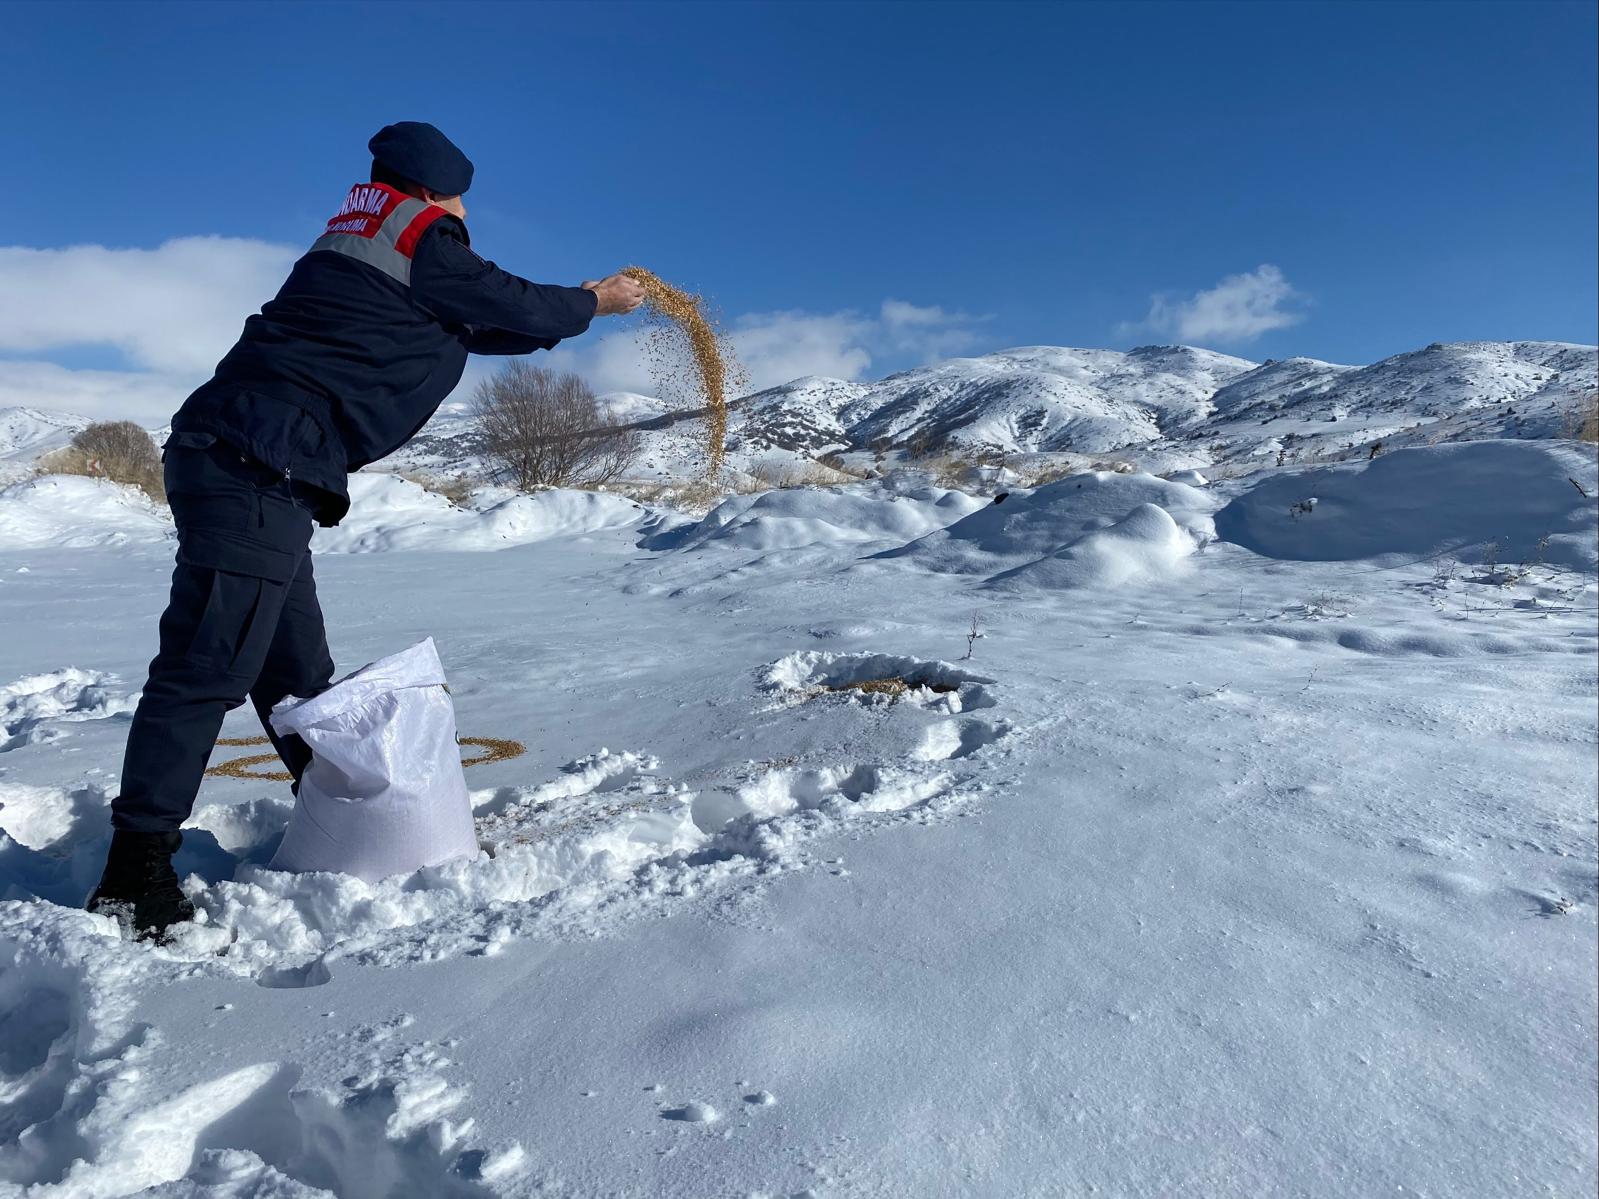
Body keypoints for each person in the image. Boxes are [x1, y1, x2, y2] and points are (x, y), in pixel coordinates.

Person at [87, 121, 646, 940]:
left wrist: (569, 315)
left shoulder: (361, 240)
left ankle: (342, 828)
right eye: (460, 197)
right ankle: (134, 872)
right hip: (254, 464)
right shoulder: (420, 230)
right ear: (434, 190)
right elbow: (501, 298)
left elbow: (483, 320)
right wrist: (596, 301)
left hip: (256, 463)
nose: (463, 212)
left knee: (294, 674)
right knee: (207, 664)